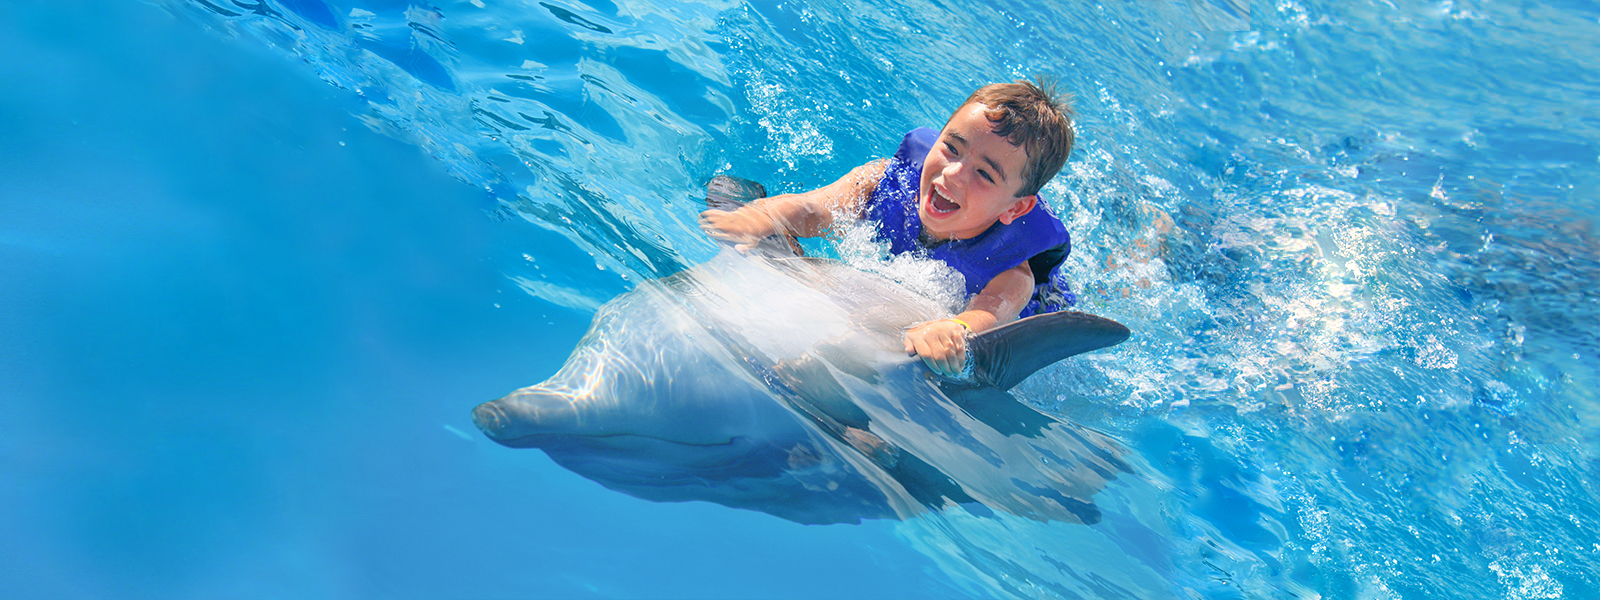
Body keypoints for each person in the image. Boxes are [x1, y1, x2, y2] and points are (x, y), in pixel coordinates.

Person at [700, 79, 1076, 379]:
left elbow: (989, 314)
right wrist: (765, 214)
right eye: (952, 148)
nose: (953, 174)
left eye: (984, 173)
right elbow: (815, 208)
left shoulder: (1012, 270)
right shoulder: (885, 181)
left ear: (1016, 207)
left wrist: (953, 328)